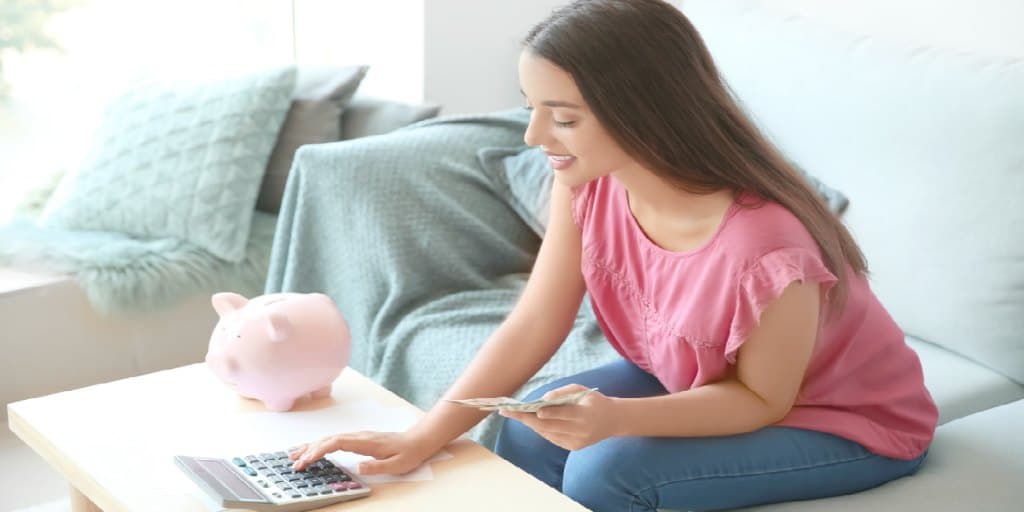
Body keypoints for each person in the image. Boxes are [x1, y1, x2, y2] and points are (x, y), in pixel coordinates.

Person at [289, 0, 938, 509]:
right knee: (527, 423)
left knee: (609, 469)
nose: (536, 135)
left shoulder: (767, 248)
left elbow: (762, 400)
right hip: (704, 379)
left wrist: (617, 418)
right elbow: (535, 322)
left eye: (562, 117)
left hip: (847, 421)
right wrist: (423, 435)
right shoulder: (587, 185)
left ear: (644, 114)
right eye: (532, 109)